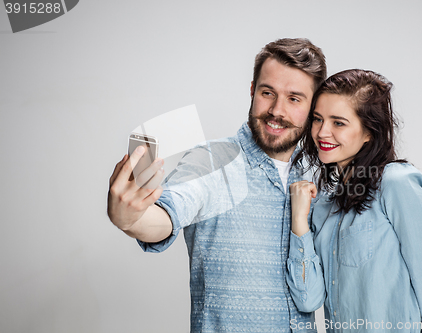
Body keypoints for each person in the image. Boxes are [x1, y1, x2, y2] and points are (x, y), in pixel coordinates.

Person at [107, 38, 327, 333]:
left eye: (294, 99)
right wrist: (131, 218)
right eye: (267, 93)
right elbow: (168, 213)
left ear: (313, 107)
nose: (277, 110)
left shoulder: (320, 174)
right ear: (252, 91)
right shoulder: (212, 161)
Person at [287, 69, 422, 332]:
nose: (323, 132)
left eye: (339, 123)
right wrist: (299, 221)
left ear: (369, 132)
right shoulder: (323, 205)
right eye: (318, 119)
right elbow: (308, 298)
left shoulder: (396, 184)